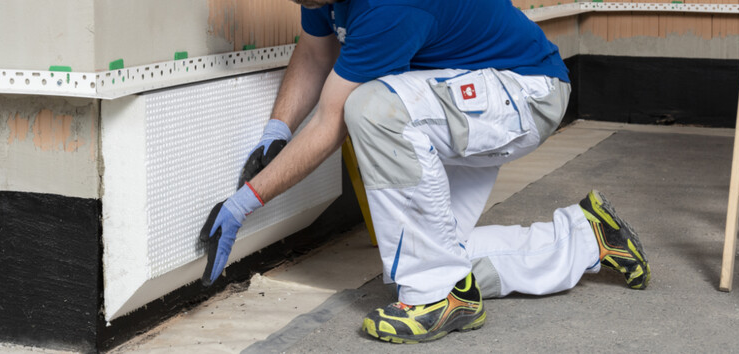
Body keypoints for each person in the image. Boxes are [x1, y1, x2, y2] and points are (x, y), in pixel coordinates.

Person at [198, 0, 650, 344]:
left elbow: (331, 120)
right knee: (428, 255)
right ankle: (587, 237)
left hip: (526, 92)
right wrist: (276, 130)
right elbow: (317, 51)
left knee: (371, 108)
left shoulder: (390, 6)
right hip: (463, 94)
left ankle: (436, 301)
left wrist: (245, 202)